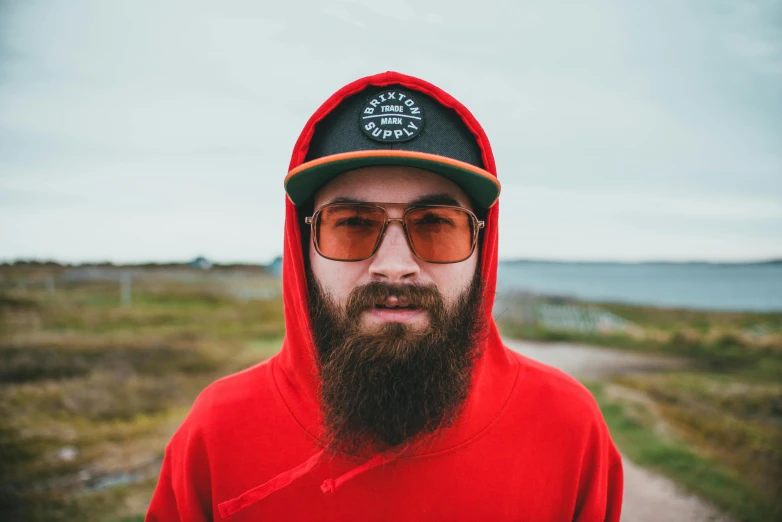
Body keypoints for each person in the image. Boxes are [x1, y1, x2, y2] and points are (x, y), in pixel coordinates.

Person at [146, 71, 623, 521]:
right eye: (352, 224)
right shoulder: (219, 433)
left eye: (436, 224)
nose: (394, 265)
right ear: (302, 245)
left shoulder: (568, 429)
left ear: (484, 245)